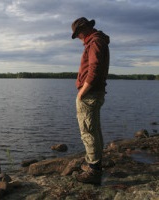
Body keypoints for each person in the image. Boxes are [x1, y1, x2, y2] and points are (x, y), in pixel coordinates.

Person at [71, 17, 110, 185]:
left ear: (84, 29)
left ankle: (94, 170)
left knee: (88, 131)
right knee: (94, 129)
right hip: (95, 92)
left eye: (78, 33)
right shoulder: (96, 41)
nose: (78, 37)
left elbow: (94, 69)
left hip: (90, 94)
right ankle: (95, 164)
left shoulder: (95, 42)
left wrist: (82, 92)